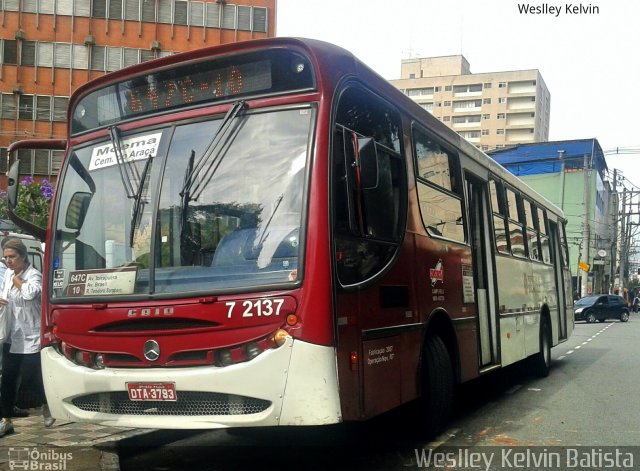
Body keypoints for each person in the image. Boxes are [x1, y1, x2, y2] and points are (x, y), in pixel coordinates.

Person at [0, 238, 54, 437]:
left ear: (23, 256)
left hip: (31, 334)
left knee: (32, 377)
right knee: (8, 378)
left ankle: (48, 405)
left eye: (12, 257)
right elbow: (5, 294)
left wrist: (17, 281)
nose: (8, 261)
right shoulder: (6, 274)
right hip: (11, 334)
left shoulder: (34, 275)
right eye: (5, 257)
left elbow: (31, 294)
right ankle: (6, 420)